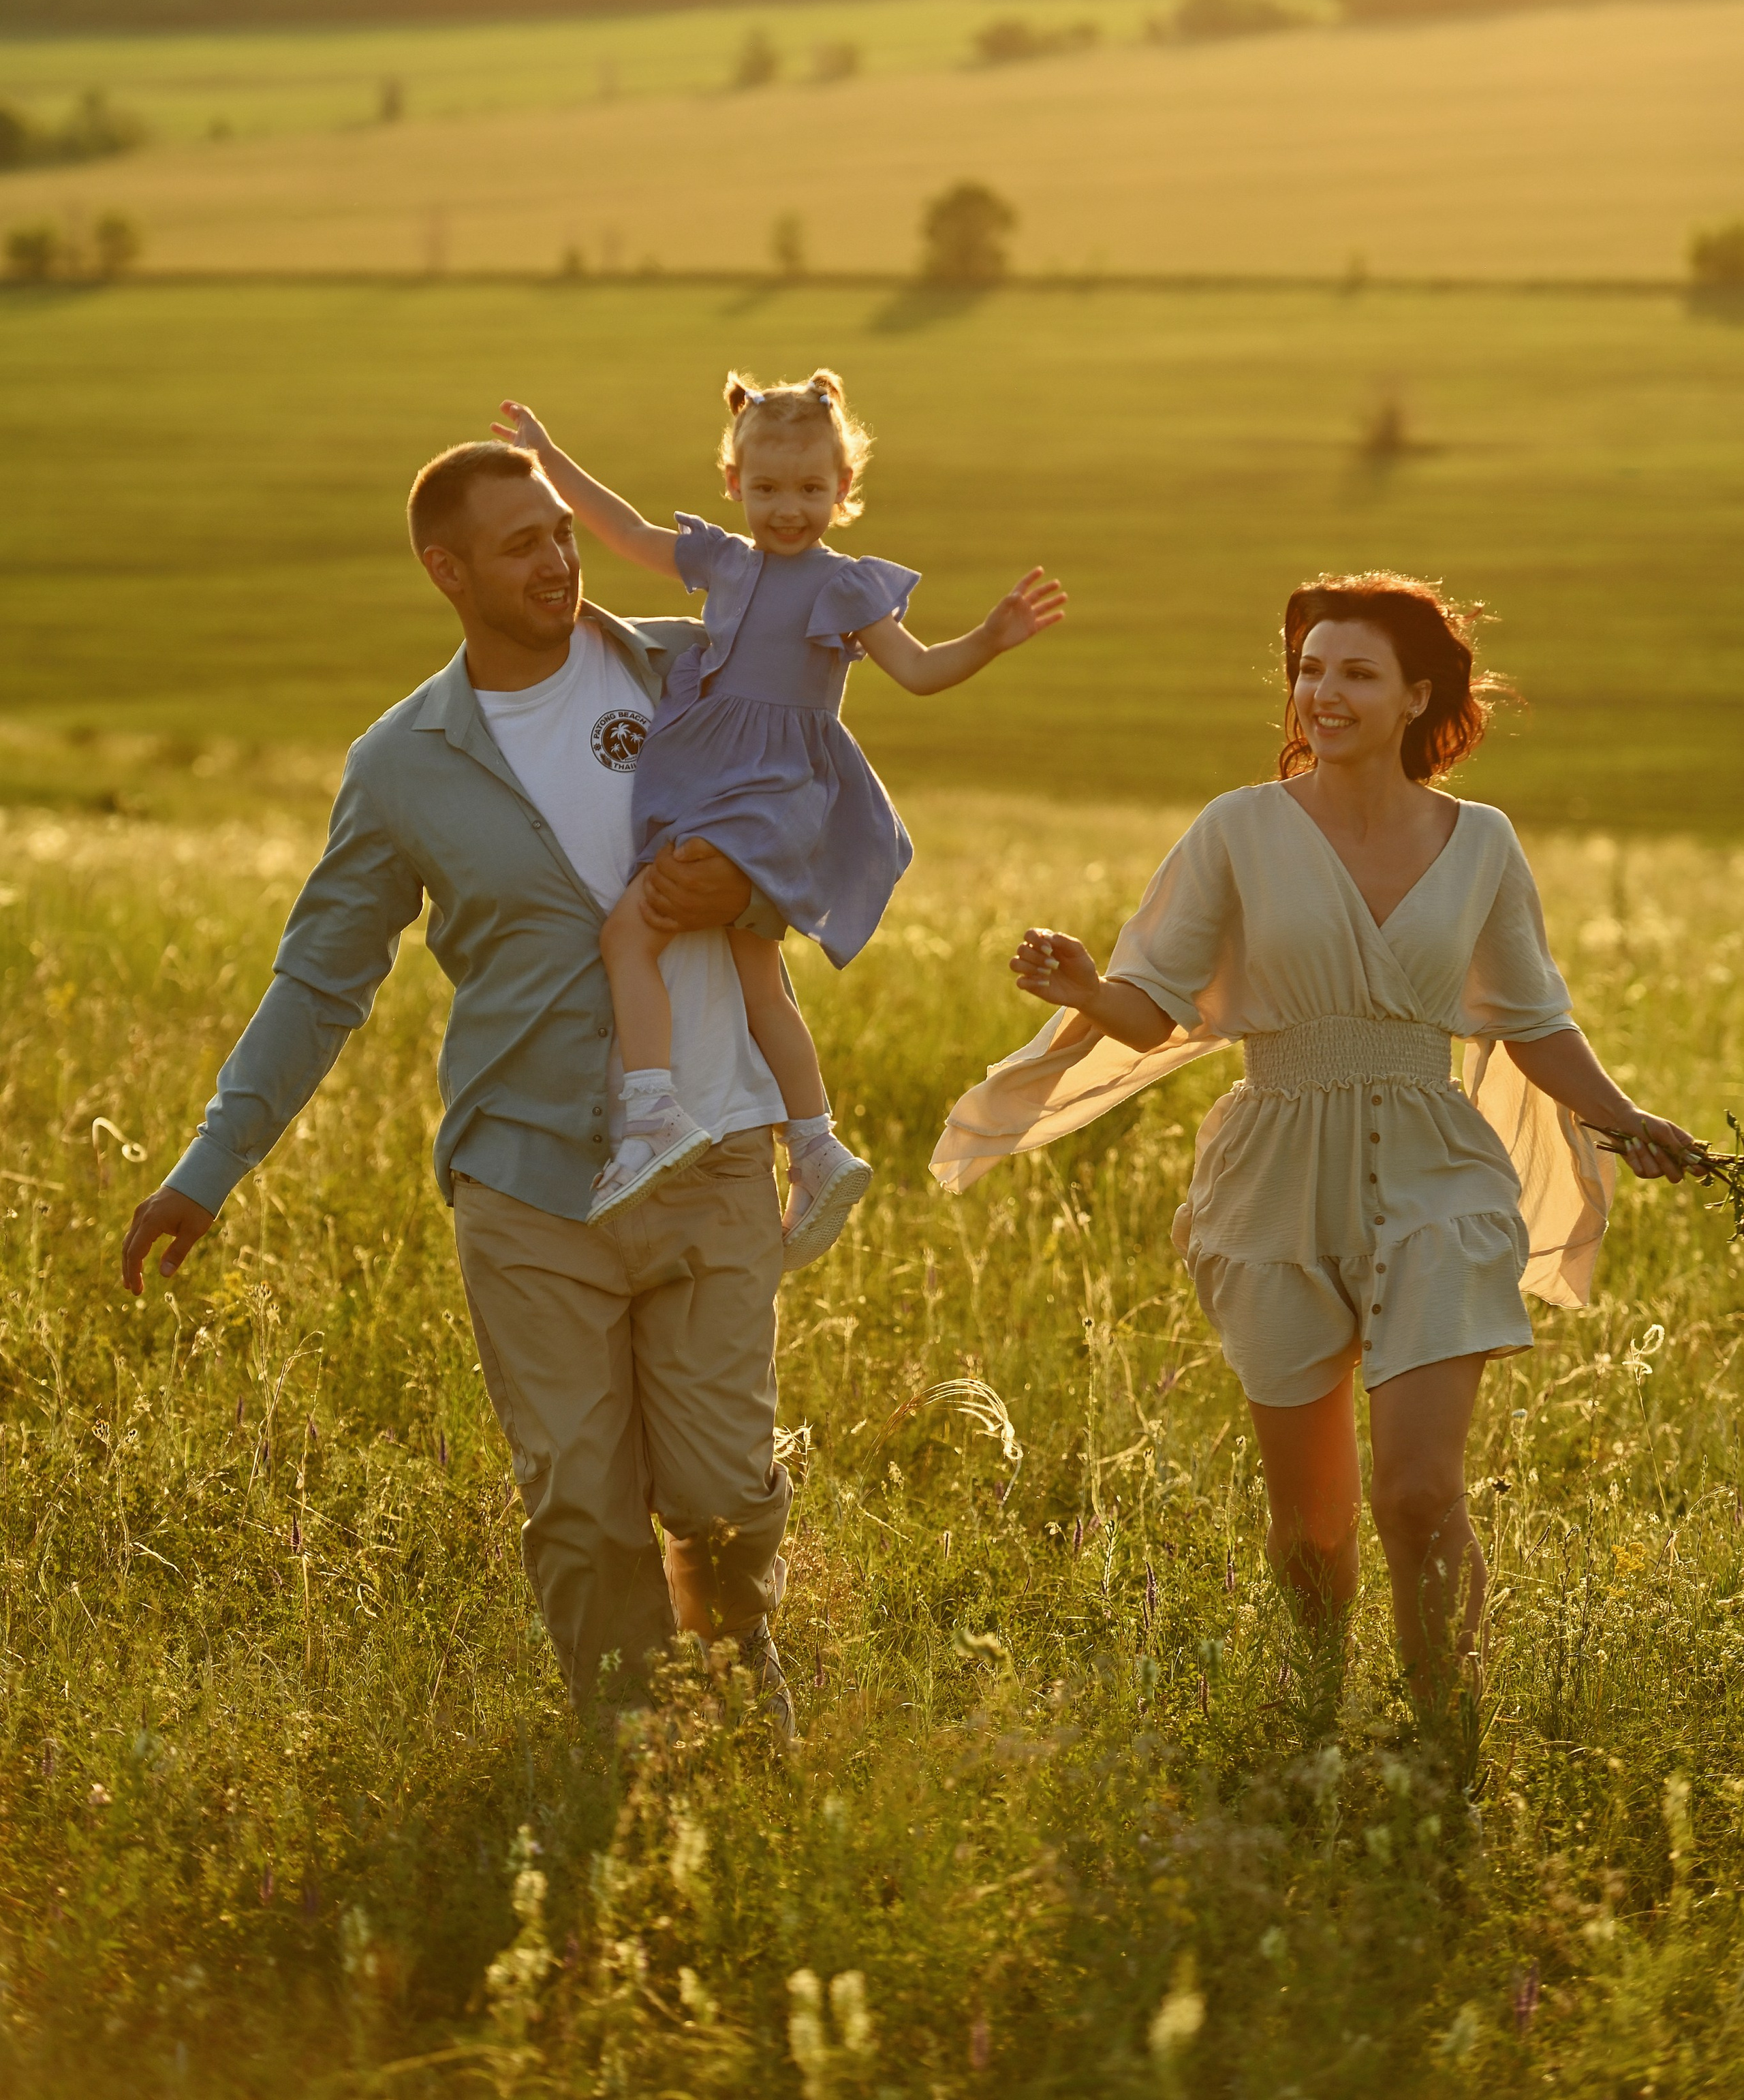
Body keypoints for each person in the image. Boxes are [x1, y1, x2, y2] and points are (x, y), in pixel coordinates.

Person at [122, 439, 817, 1737]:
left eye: (561, 532)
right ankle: (630, 1748)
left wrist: (756, 883)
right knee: (582, 1508)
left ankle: (737, 1676)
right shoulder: (403, 764)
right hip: (527, 1183)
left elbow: (824, 806)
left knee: (723, 1494)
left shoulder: (692, 671)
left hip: (714, 1148)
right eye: (520, 545)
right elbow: (319, 982)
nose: (557, 560)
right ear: (447, 573)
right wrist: (206, 1171)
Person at [933, 573, 1701, 1708]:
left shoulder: (1483, 844)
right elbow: (1156, 1009)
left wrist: (1625, 1119)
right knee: (1310, 1524)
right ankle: (1319, 1716)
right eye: (1308, 671)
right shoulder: (1238, 829)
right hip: (1276, 1179)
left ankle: (1442, 1730)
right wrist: (1090, 991)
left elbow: (1533, 1020)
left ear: (1416, 697)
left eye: (1356, 673)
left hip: (1439, 1172)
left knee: (1419, 1494)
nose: (1323, 693)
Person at [493, 373, 1065, 1263]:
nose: (788, 509)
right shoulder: (725, 562)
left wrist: (989, 639)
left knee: (628, 934)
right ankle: (815, 1142)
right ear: (734, 483)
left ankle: (652, 1114)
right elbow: (625, 530)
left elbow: (918, 673)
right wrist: (549, 456)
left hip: (765, 799)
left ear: (843, 489)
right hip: (711, 786)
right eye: (766, 488)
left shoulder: (847, 586)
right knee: (758, 979)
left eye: (808, 489)